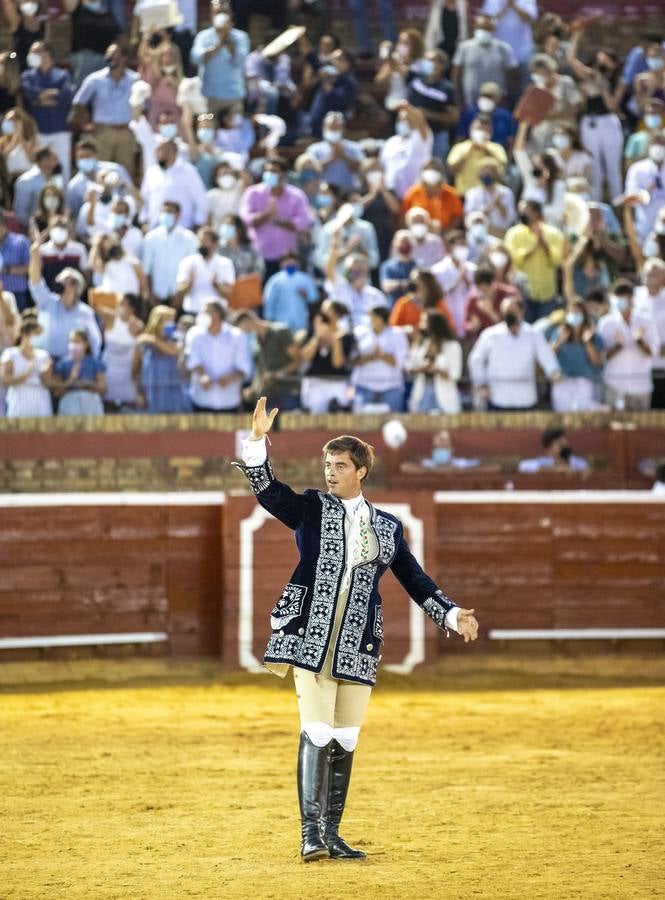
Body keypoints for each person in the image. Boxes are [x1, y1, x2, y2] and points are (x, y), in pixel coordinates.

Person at [233, 396, 478, 861]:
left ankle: (331, 833)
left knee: (345, 739)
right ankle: (309, 834)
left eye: (340, 465)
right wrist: (257, 441)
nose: (330, 472)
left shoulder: (388, 526)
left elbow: (413, 578)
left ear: (360, 471)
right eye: (327, 464)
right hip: (310, 634)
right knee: (318, 730)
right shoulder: (310, 508)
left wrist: (451, 613)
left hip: (357, 643)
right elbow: (268, 491)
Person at [468, 296, 561, 411]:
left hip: (525, 398)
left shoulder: (533, 334)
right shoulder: (490, 334)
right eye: (506, 312)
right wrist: (481, 384)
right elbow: (476, 359)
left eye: (513, 311)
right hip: (497, 398)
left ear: (521, 312)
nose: (509, 315)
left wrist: (553, 372)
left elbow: (546, 357)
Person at [239, 156, 314, 281]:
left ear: (283, 174)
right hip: (259, 256)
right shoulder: (253, 193)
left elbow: (303, 223)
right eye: (267, 171)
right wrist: (266, 214)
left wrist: (280, 221)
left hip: (287, 258)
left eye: (274, 171)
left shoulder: (296, 195)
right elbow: (246, 219)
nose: (269, 174)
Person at [70, 44, 138, 175]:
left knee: (125, 173)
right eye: (108, 54)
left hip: (126, 132)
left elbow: (143, 106)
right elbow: (78, 103)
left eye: (114, 54)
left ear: (124, 58)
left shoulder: (135, 79)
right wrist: (85, 125)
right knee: (99, 172)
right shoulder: (95, 79)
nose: (109, 57)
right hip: (102, 132)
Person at [597, 278, 659, 410]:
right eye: (618, 297)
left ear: (632, 298)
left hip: (641, 387)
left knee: (641, 430)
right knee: (613, 430)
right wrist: (618, 346)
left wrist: (640, 341)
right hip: (614, 386)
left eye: (624, 297)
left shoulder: (646, 321)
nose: (621, 301)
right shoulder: (605, 323)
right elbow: (601, 357)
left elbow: (653, 353)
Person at [20, 41, 74, 183]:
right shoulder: (27, 75)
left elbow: (66, 96)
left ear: (47, 54)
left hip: (60, 129)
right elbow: (29, 93)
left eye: (37, 51)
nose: (32, 55)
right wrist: (43, 97)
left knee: (63, 168)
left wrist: (40, 99)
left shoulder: (63, 75)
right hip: (38, 130)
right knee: (37, 170)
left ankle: (64, 203)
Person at [504, 200, 565, 323]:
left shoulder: (553, 233)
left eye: (526, 211)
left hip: (547, 293)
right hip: (523, 294)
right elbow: (512, 259)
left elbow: (557, 260)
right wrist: (531, 249)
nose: (522, 213)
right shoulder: (513, 234)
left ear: (536, 213)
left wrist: (543, 243)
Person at [185, 299, 251, 412]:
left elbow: (244, 367)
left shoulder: (237, 336)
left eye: (206, 312)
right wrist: (202, 376)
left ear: (218, 314)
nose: (202, 316)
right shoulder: (194, 334)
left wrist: (230, 377)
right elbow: (193, 359)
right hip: (200, 400)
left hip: (230, 402)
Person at [190, 1, 249, 116]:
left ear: (231, 14)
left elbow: (240, 61)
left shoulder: (241, 37)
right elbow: (195, 59)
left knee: (234, 133)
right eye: (218, 12)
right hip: (209, 95)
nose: (222, 15)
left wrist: (229, 42)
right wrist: (218, 44)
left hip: (233, 95)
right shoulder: (203, 36)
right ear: (211, 15)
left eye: (225, 12)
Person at [235, 309, 301, 411]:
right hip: (267, 394)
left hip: (287, 391)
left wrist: (276, 374)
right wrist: (253, 389)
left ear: (248, 320)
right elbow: (261, 371)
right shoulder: (255, 342)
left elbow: (297, 360)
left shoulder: (280, 331)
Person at [132, 304, 191, 413]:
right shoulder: (143, 344)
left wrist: (152, 340)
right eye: (167, 320)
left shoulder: (177, 338)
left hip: (174, 394)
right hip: (151, 394)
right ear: (157, 322)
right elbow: (135, 371)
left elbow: (173, 351)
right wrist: (138, 393)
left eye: (172, 320)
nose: (170, 323)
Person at [300, 299, 355, 413]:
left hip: (336, 382)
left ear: (337, 315)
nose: (323, 313)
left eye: (327, 311)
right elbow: (305, 357)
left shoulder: (345, 336)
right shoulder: (314, 331)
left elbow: (338, 363)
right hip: (314, 382)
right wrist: (317, 337)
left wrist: (335, 340)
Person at [139, 139, 209, 230]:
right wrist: (144, 221)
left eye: (163, 150)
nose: (159, 153)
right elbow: (145, 199)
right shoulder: (151, 172)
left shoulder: (188, 171)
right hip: (154, 230)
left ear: (173, 152)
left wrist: (197, 224)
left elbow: (201, 200)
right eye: (158, 150)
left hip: (183, 229)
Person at [451, 15, 518, 109]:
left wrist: (506, 97)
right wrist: (459, 99)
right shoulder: (464, 47)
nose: (485, 32)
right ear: (475, 27)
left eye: (488, 29)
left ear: (494, 29)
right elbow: (456, 75)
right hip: (470, 102)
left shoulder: (503, 48)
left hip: (496, 103)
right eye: (482, 28)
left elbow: (513, 76)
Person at [351, 306, 408, 412]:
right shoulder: (360, 332)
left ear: (380, 318)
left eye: (372, 316)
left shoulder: (397, 333)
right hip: (364, 386)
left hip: (391, 387)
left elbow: (398, 361)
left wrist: (381, 355)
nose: (369, 319)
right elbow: (353, 360)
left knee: (392, 423)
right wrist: (372, 357)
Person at [142, 201, 198, 305]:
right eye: (163, 212)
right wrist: (149, 294)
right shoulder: (151, 238)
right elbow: (146, 270)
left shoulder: (189, 238)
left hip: (180, 298)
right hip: (156, 297)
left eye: (169, 212)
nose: (165, 215)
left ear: (178, 215)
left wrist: (181, 296)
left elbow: (192, 271)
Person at [406, 48, 459, 158]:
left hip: (437, 135)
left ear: (442, 65)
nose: (428, 63)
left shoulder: (447, 88)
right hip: (414, 133)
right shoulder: (415, 80)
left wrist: (429, 114)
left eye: (432, 60)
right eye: (426, 60)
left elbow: (453, 117)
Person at [407, 309, 462, 413]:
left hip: (444, 397)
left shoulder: (452, 346)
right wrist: (422, 368)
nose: (420, 325)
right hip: (422, 394)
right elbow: (410, 367)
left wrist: (436, 370)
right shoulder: (421, 343)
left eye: (424, 321)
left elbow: (455, 374)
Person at [65, 137, 131, 221]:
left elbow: (131, 194)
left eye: (87, 157)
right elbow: (73, 214)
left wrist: (120, 183)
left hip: (119, 220)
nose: (84, 160)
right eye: (81, 157)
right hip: (90, 226)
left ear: (95, 155)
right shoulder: (73, 185)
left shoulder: (116, 169)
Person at [97, 293, 143, 410]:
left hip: (127, 375)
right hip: (108, 371)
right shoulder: (110, 317)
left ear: (132, 308)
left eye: (123, 304)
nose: (119, 306)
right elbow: (96, 305)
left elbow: (138, 355)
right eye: (119, 303)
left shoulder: (138, 326)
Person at [175, 227, 235, 315]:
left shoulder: (225, 263)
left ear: (215, 243)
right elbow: (180, 291)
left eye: (206, 241)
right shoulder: (188, 262)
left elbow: (230, 293)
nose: (201, 244)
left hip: (217, 314)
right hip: (192, 311)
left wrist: (216, 285)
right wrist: (190, 284)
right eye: (200, 240)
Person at [379, 103, 433, 200]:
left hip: (416, 192)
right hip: (392, 192)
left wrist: (405, 106)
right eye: (401, 119)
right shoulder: (391, 142)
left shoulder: (420, 138)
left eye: (408, 119)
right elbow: (383, 166)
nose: (404, 122)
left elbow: (420, 120)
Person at [0, 317, 52, 417]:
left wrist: (45, 374)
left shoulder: (44, 354)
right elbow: (4, 380)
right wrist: (26, 374)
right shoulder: (10, 353)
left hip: (41, 401)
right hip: (18, 401)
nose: (39, 337)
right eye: (36, 334)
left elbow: (48, 383)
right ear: (24, 334)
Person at [446, 115, 507, 196]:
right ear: (471, 129)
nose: (481, 132)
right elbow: (451, 170)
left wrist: (486, 148)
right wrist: (470, 150)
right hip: (464, 194)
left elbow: (502, 169)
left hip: (489, 196)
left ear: (490, 132)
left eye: (485, 130)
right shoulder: (460, 147)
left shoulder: (496, 148)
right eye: (479, 129)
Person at [52, 327, 107, 415]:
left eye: (77, 341)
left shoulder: (95, 363)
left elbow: (103, 389)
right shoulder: (62, 363)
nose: (74, 344)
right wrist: (70, 380)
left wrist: (87, 384)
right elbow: (57, 392)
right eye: (72, 341)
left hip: (91, 403)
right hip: (69, 404)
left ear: (86, 344)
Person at [633, 257, 665, 409]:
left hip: (662, 366)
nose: (649, 276)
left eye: (654, 273)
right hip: (638, 366)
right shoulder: (634, 296)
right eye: (647, 273)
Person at [431, 230, 475, 337]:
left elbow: (476, 293)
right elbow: (439, 294)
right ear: (450, 247)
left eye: (464, 245)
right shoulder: (438, 270)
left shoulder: (473, 269)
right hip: (448, 322)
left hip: (469, 324)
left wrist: (466, 279)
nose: (462, 248)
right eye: (459, 245)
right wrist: (458, 278)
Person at [401, 158, 463, 234]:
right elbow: (403, 217)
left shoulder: (451, 193)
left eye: (434, 169)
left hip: (445, 236)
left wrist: (444, 231)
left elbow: (457, 217)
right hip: (417, 237)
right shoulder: (412, 193)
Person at [307, 112, 365, 193]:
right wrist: (332, 158)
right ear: (324, 128)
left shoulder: (354, 147)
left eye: (337, 127)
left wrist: (344, 156)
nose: (334, 130)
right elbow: (310, 171)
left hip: (348, 193)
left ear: (343, 129)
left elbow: (361, 169)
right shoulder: (314, 149)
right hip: (322, 193)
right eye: (331, 127)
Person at [263, 253, 319, 335]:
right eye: (287, 261)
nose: (290, 263)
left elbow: (314, 298)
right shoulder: (275, 280)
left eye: (293, 261)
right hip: (280, 323)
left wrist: (306, 295)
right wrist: (269, 321)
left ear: (298, 263)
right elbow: (268, 302)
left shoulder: (305, 279)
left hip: (300, 322)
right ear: (281, 264)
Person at [463, 158, 515, 236]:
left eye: (489, 173)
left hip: (501, 233)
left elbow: (509, 218)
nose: (486, 176)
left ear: (496, 174)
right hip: (479, 235)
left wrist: (499, 204)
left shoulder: (506, 192)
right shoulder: (472, 193)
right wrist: (492, 205)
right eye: (483, 173)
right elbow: (470, 218)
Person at [457, 81, 516, 149]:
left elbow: (511, 140)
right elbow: (461, 137)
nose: (487, 99)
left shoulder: (505, 116)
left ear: (498, 98)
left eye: (491, 97)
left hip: (497, 153)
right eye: (485, 95)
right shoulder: (469, 113)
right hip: (472, 152)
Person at [464, 266, 518, 340]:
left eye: (485, 290)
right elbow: (466, 327)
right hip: (483, 343)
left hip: (506, 341)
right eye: (480, 290)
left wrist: (491, 312)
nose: (483, 293)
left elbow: (515, 325)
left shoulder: (509, 294)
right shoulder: (473, 298)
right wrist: (473, 326)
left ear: (493, 283)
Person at [12, 145, 60, 228]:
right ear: (39, 161)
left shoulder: (56, 179)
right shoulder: (25, 181)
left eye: (54, 160)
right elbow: (20, 212)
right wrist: (30, 230)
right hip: (33, 230)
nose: (52, 163)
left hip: (53, 229)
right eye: (48, 160)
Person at [39, 216, 89, 291]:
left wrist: (78, 292)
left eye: (62, 227)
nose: (59, 230)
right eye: (56, 227)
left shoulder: (79, 249)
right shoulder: (42, 250)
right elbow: (38, 275)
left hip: (73, 296)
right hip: (49, 296)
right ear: (50, 230)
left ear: (68, 230)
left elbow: (86, 273)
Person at [518, 427, 589, 473]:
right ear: (549, 448)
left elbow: (584, 468)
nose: (563, 447)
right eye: (559, 444)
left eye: (564, 443)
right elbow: (523, 466)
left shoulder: (577, 462)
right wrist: (553, 469)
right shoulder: (544, 462)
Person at [0, 210, 31, 311]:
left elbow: (29, 268)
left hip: (18, 295)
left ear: (4, 225)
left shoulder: (21, 242)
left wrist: (6, 270)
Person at [217, 213, 264, 279]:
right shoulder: (218, 250)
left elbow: (259, 272)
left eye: (229, 225)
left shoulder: (250, 251)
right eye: (224, 225)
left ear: (239, 230)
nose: (226, 228)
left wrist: (244, 278)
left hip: (244, 287)